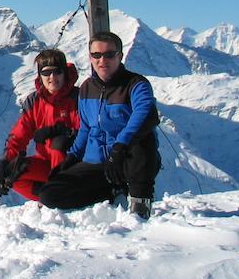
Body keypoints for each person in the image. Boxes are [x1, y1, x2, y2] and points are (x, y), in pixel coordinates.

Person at [38, 31, 161, 219]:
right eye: (96, 55)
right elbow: (86, 128)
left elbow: (146, 113)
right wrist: (71, 158)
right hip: (96, 163)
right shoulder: (87, 88)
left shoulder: (135, 84)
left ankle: (140, 205)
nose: (102, 60)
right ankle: (110, 192)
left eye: (109, 54)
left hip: (127, 159)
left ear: (120, 56)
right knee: (49, 194)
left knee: (144, 140)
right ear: (90, 57)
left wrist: (119, 149)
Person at [0, 48, 80, 202]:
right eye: (46, 73)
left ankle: (62, 194)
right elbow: (18, 136)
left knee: (58, 144)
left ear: (65, 73)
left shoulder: (78, 98)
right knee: (12, 172)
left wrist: (59, 131)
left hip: (74, 166)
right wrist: (4, 162)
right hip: (47, 165)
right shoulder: (34, 102)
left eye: (57, 72)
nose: (52, 77)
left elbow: (86, 132)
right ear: (40, 76)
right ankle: (51, 197)